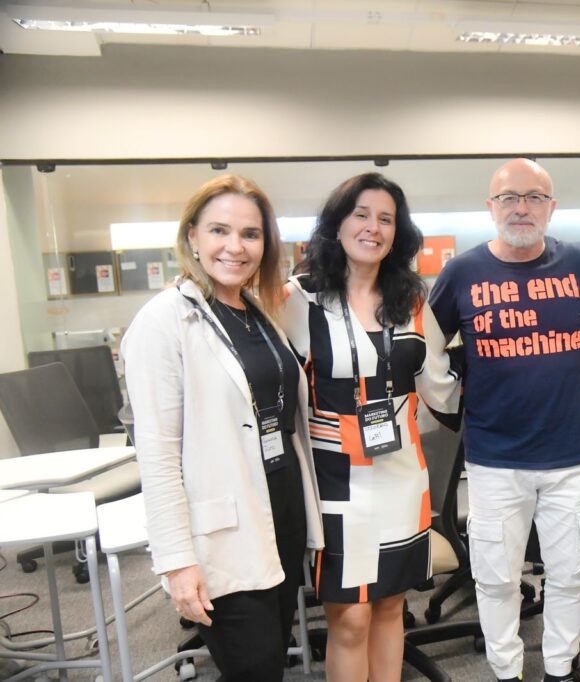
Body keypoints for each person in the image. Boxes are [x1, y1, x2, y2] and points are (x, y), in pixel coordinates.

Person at [122, 175, 324, 681]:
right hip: (221, 534)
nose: (235, 246)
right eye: (219, 231)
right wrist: (176, 561)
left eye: (250, 234)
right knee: (253, 667)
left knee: (273, 660)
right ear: (192, 236)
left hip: (278, 513)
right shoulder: (163, 321)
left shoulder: (255, 312)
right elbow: (159, 454)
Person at [427, 158, 580, 682]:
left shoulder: (579, 262)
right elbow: (425, 345)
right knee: (494, 578)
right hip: (495, 457)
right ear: (491, 208)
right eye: (508, 197)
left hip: (569, 453)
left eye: (534, 197)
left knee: (571, 572)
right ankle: (506, 671)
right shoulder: (462, 272)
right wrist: (449, 398)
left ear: (551, 208)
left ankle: (559, 668)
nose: (521, 207)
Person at [279, 172, 461, 682]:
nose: (373, 227)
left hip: (401, 473)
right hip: (336, 478)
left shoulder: (411, 299)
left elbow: (437, 379)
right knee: (351, 616)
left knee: (388, 607)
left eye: (386, 219)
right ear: (337, 224)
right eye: (361, 214)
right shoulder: (298, 298)